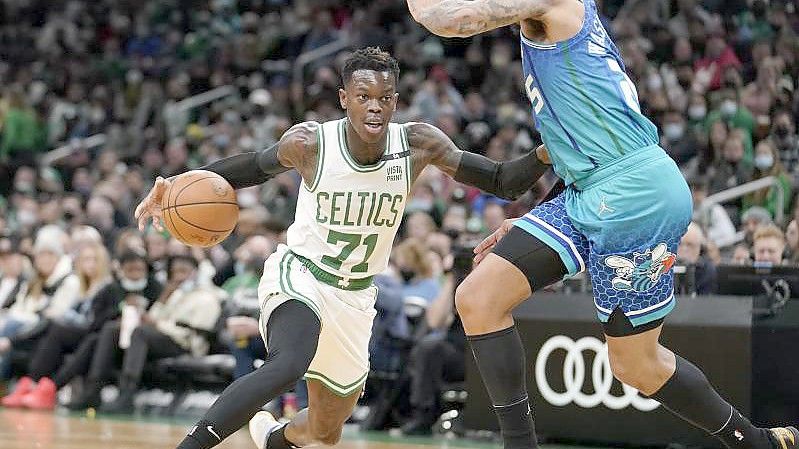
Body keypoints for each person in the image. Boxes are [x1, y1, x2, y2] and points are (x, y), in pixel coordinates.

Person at [408, 1, 798, 449]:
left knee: (636, 365)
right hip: (586, 189)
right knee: (477, 297)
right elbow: (545, 162)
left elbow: (454, 20)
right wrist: (535, 222)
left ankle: (753, 442)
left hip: (636, 192)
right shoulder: (556, 46)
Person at [135, 47, 552, 449]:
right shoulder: (310, 143)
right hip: (302, 276)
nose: (374, 107)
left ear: (395, 101)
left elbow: (502, 181)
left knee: (326, 430)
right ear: (344, 99)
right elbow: (249, 167)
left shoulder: (419, 144)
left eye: (384, 98)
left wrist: (544, 153)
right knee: (289, 363)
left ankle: (275, 440)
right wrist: (176, 185)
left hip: (355, 297)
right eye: (363, 97)